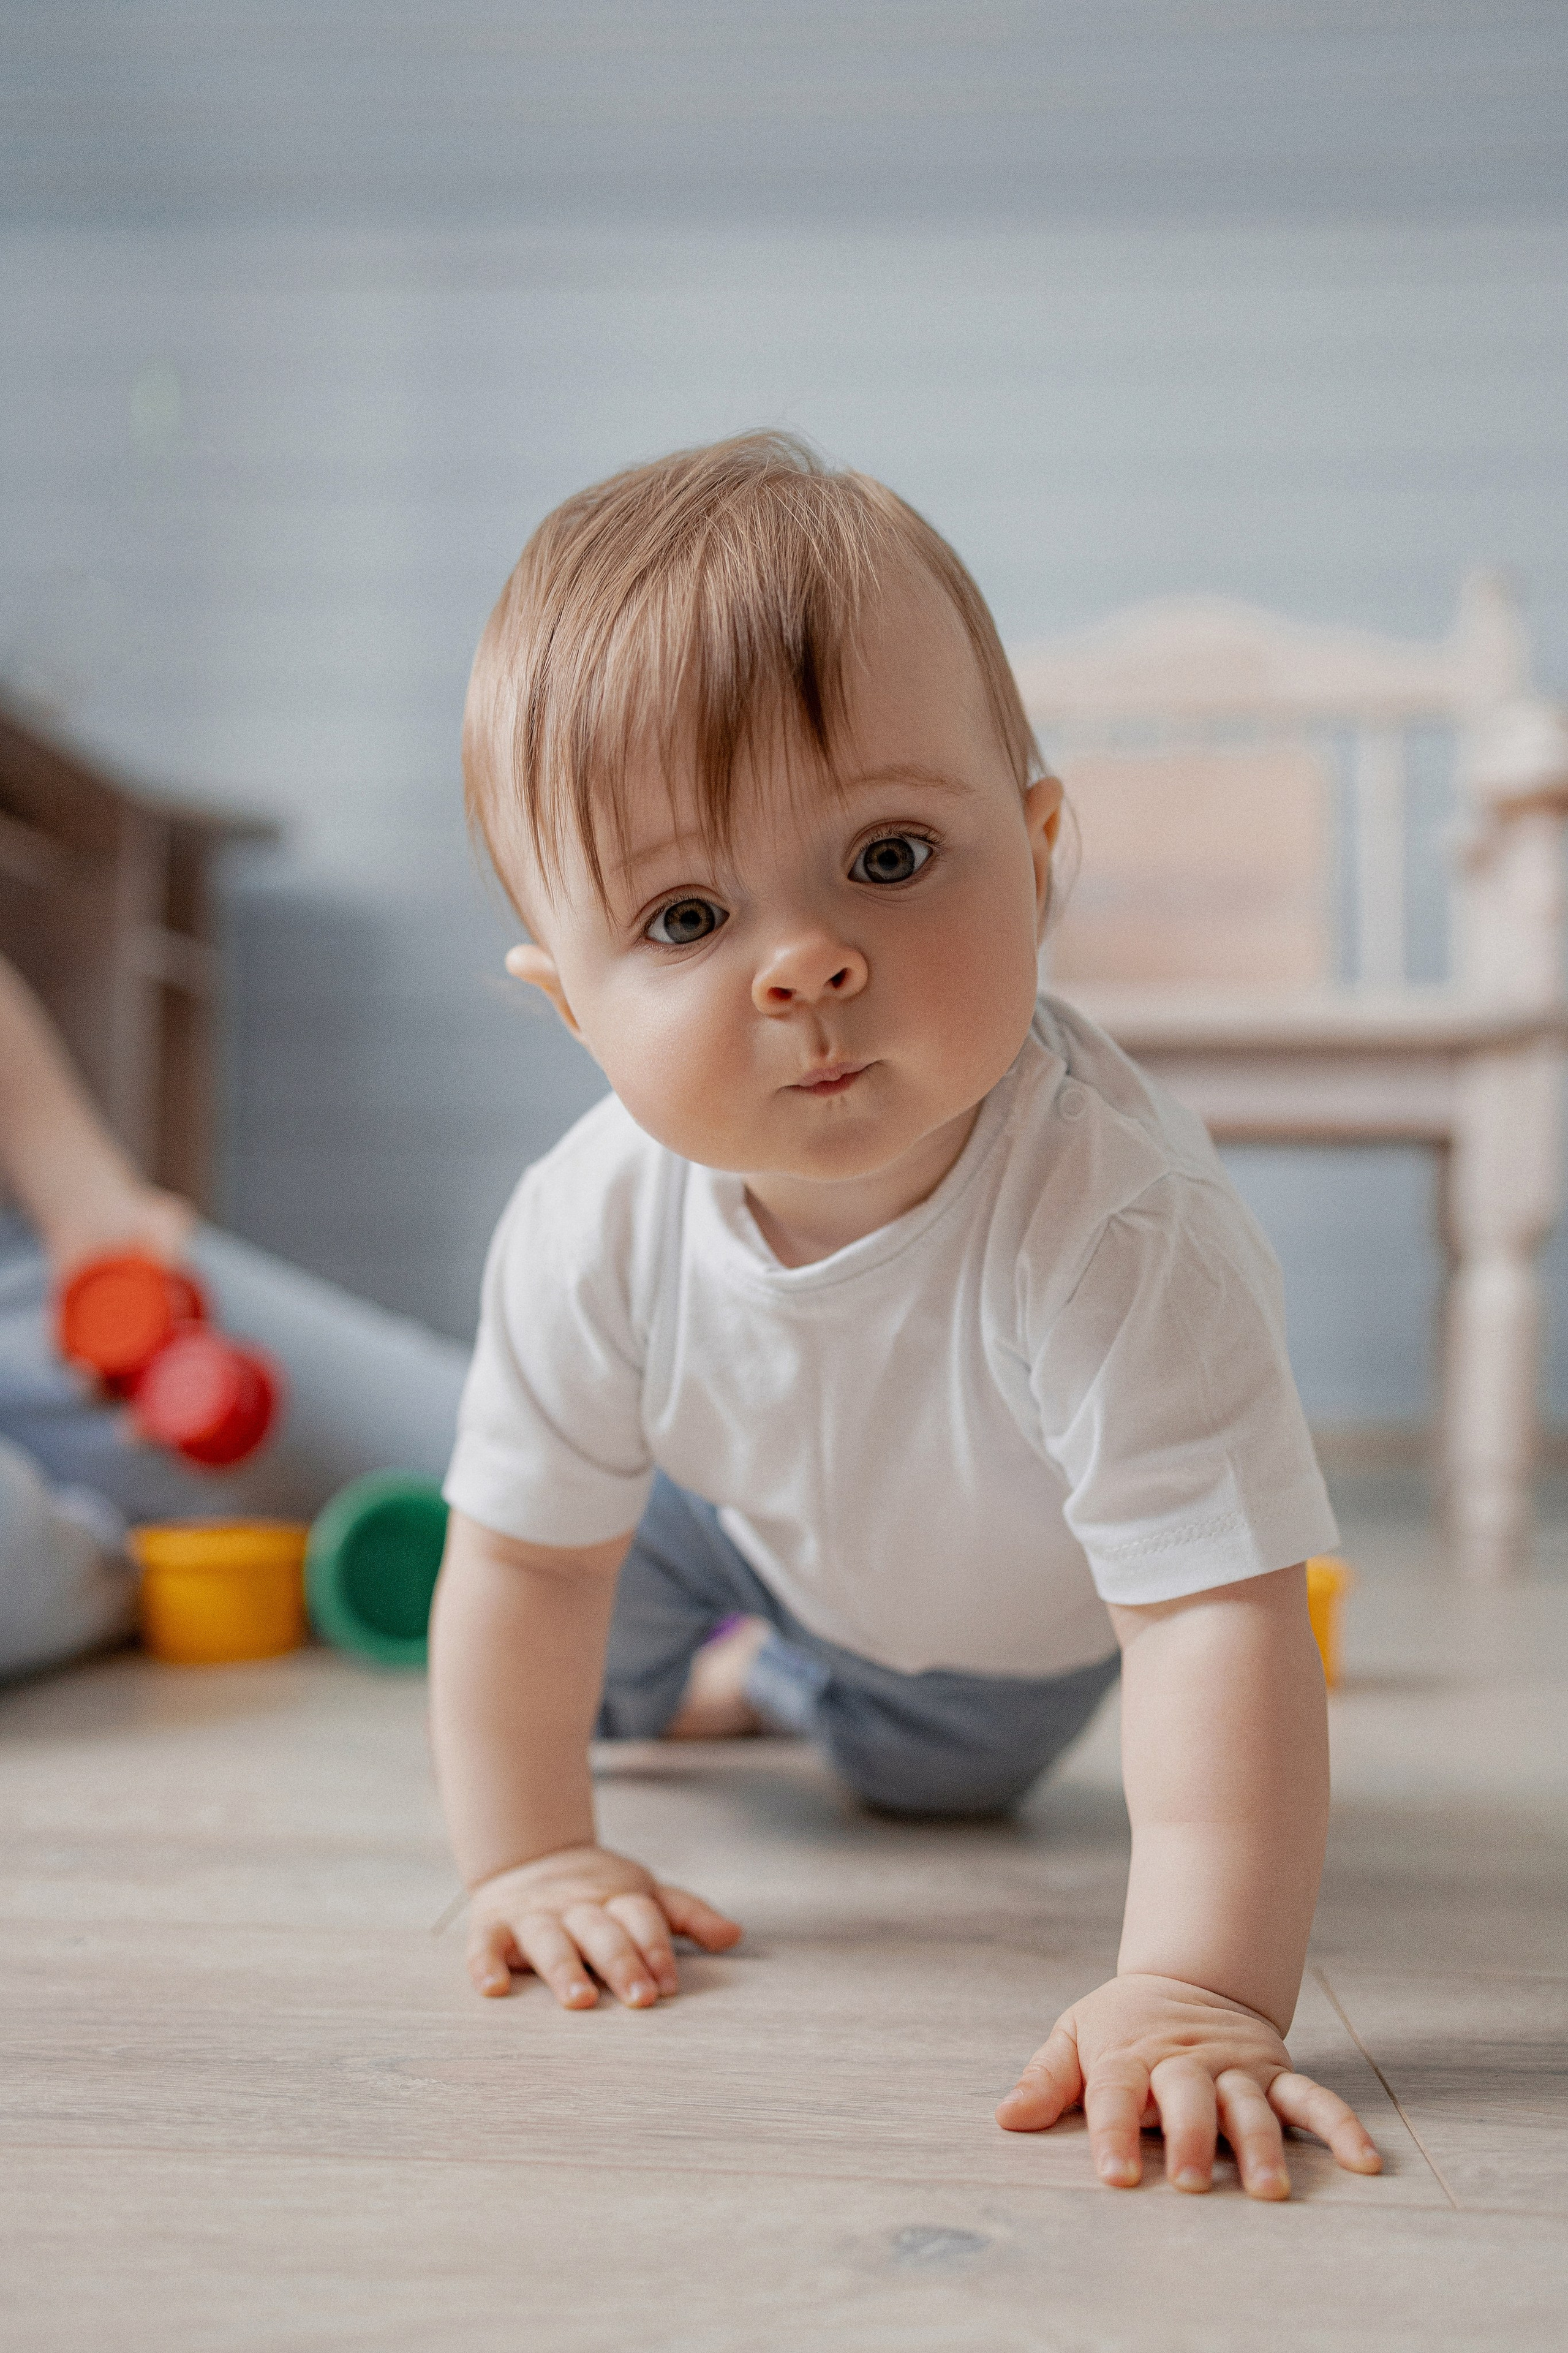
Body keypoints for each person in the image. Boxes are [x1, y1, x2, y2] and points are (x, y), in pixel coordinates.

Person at [429, 432, 1383, 2202]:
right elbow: (522, 1566)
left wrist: (1196, 1987)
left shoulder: (1111, 1220)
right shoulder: (589, 1218)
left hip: (992, 1632)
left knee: (925, 1783)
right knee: (586, 1610)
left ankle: (780, 1686)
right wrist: (528, 1860)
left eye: (887, 853)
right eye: (689, 914)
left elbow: (1208, 1625)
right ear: (570, 1008)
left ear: (1035, 852)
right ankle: (717, 1681)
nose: (804, 961)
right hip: (716, 1502)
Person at [0, 950, 469, 1682]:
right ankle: (134, 1567)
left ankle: (120, 1549)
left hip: (40, 1289)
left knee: (530, 1457)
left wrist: (85, 1197)